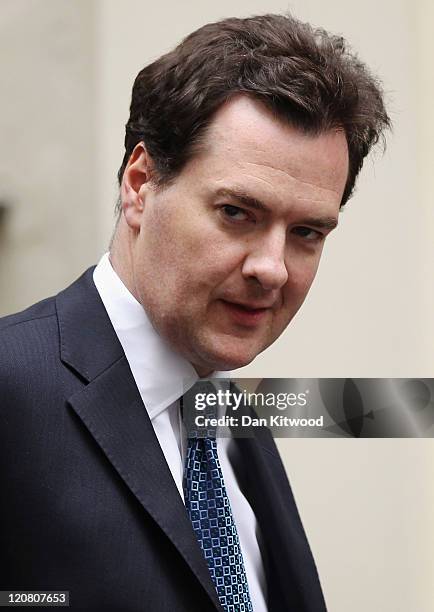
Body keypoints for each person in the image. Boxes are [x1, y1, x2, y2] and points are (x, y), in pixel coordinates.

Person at [0, 13, 389, 612]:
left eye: (308, 232)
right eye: (237, 212)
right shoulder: (12, 385)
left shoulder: (225, 409)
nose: (273, 268)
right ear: (140, 183)